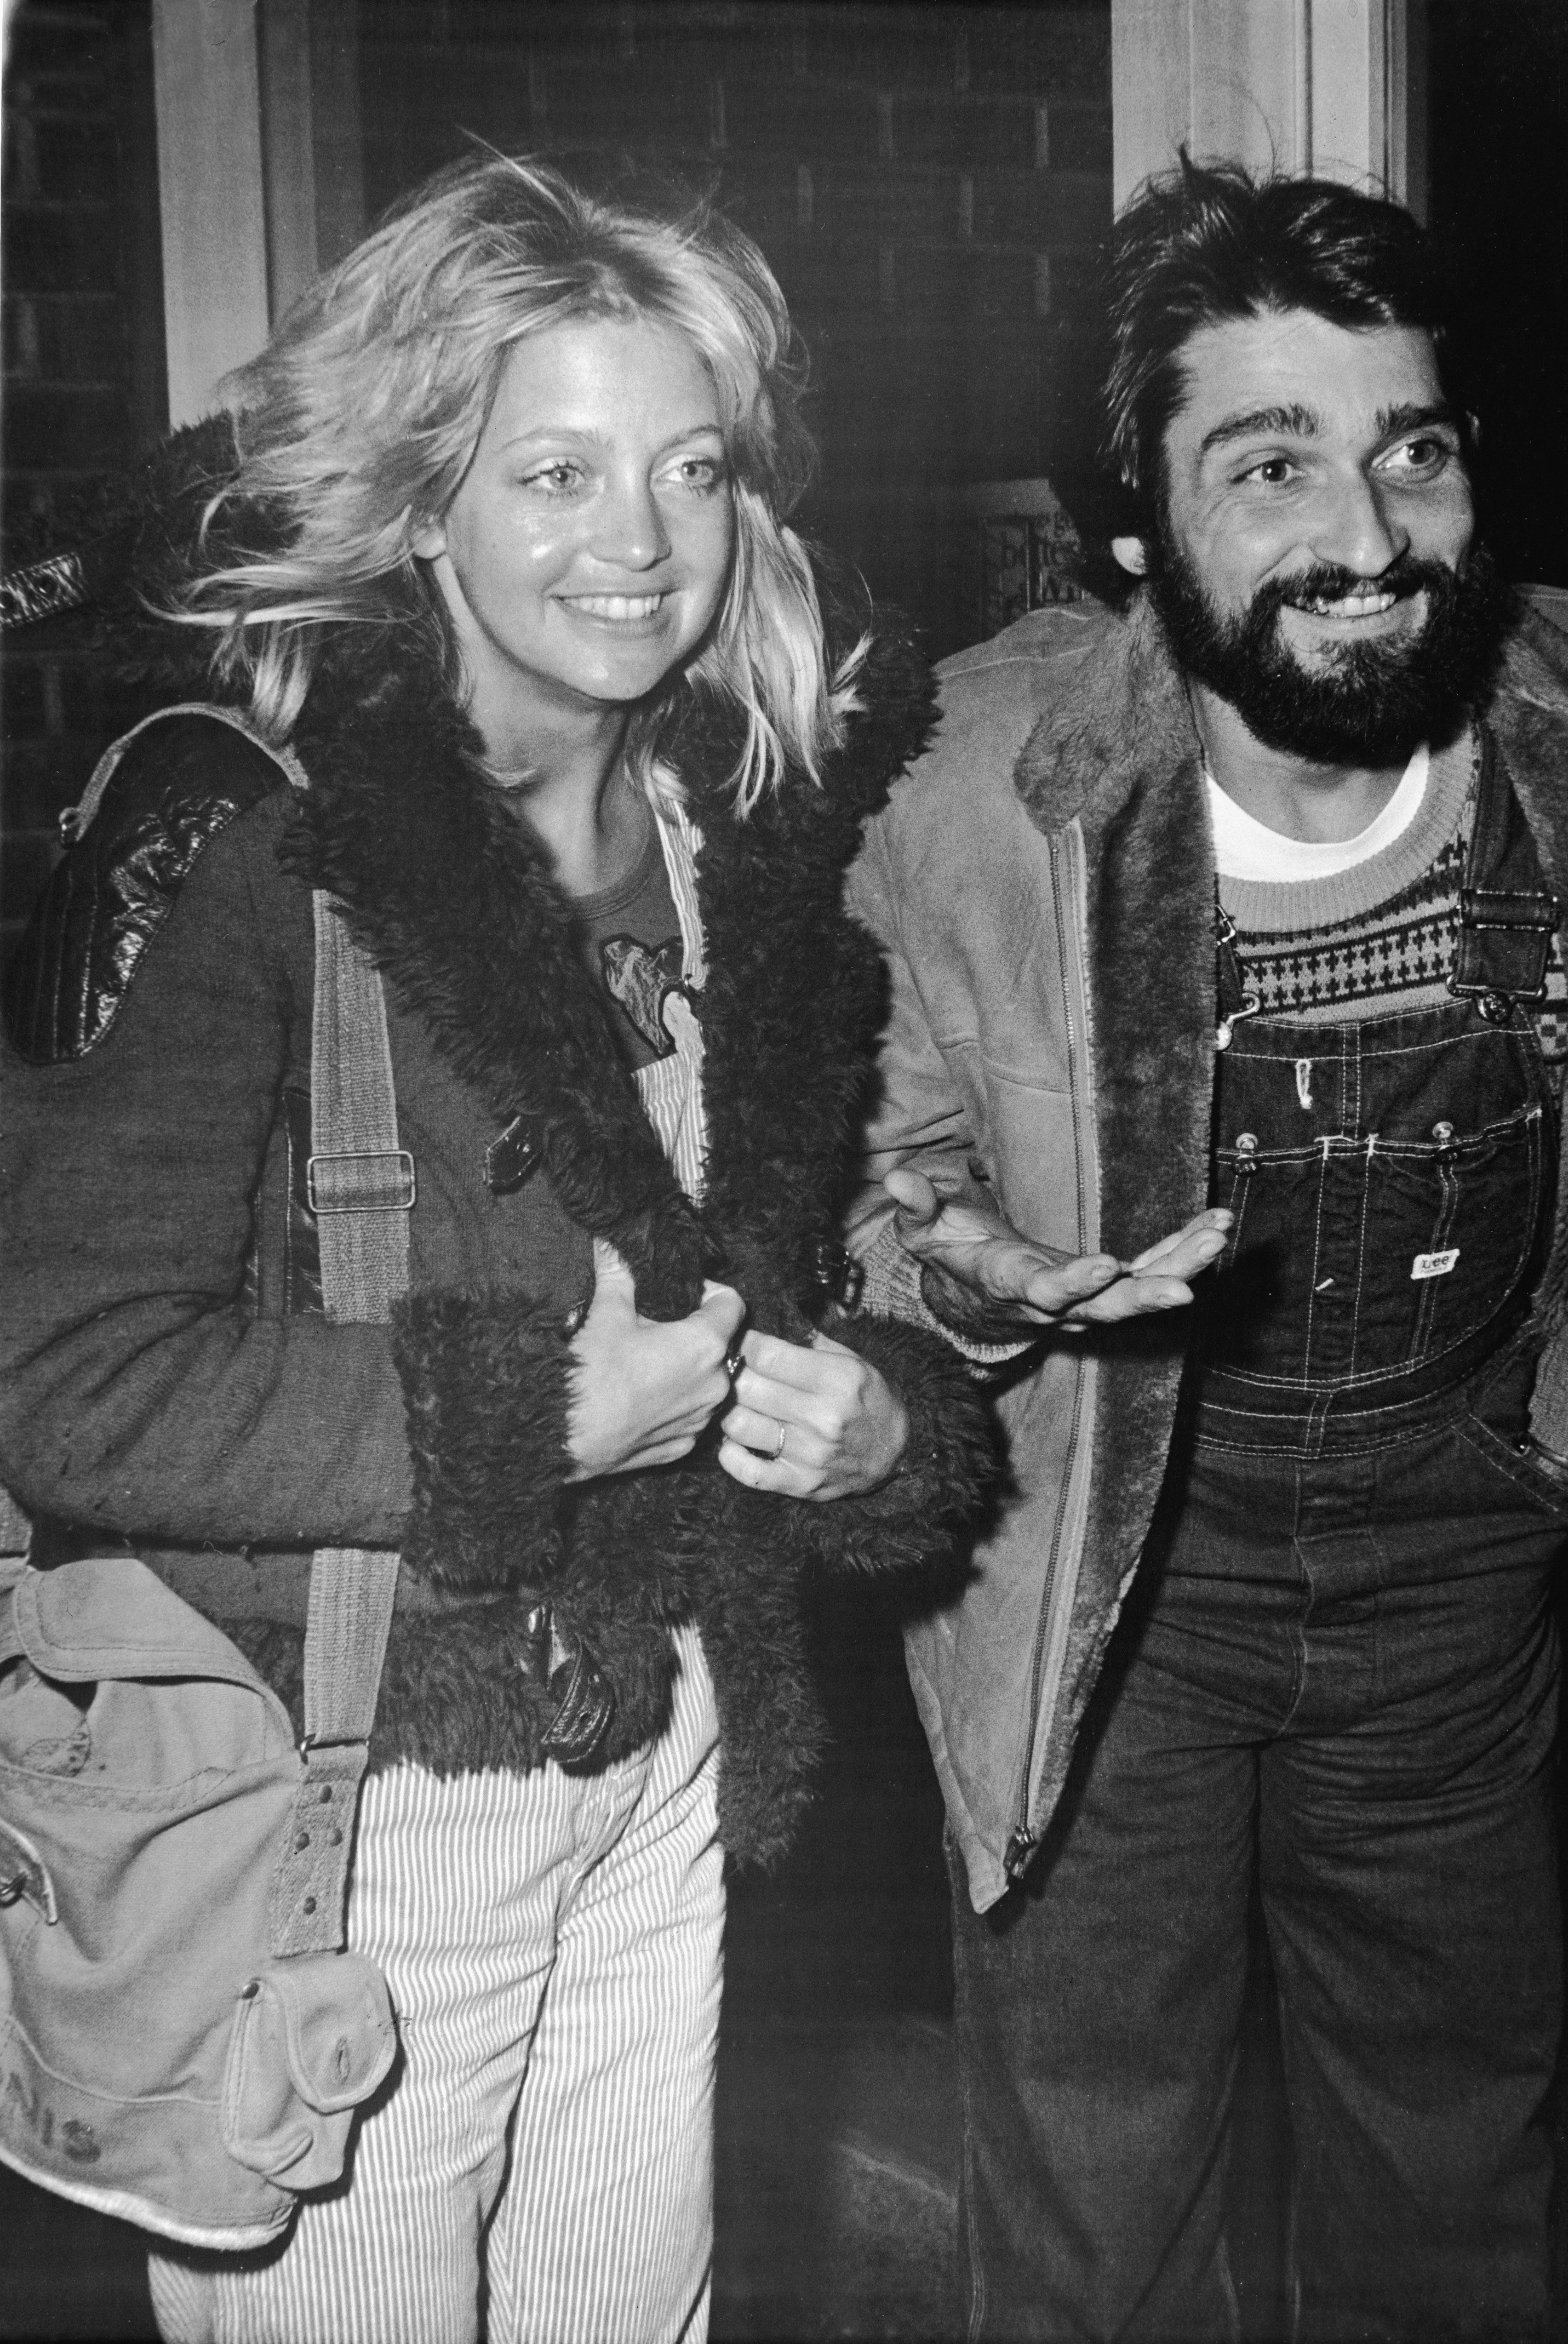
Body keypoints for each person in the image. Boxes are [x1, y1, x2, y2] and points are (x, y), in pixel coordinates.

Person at [0, 155, 994, 2344]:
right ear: (424, 504)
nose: (637, 541)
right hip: (366, 1804)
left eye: (689, 467)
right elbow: (62, 1368)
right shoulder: (266, 873)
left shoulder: (750, 882)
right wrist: (528, 1411)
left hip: (671, 1758)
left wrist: (871, 1427)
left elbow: (825, 1296)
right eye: (555, 469)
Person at [847, 156, 1568, 2341]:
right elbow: (852, 1169)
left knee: (1453, 2176)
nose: (1366, 542)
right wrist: (947, 1269)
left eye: (1412, 452)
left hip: (1459, 1571)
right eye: (1267, 466)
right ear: (1128, 532)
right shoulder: (959, 784)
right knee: (1094, 2196)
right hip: (1102, 1563)